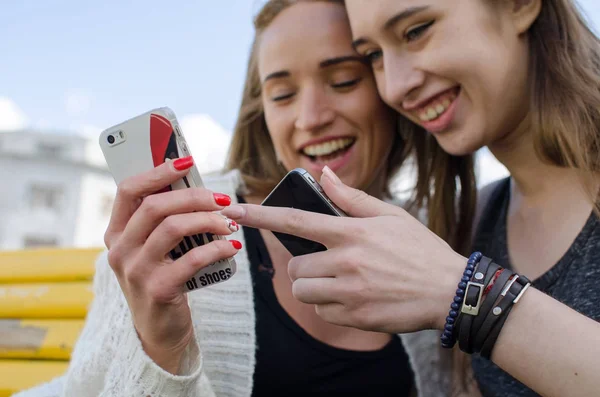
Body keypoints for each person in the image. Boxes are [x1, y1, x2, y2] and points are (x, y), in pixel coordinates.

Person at [13, 1, 475, 396]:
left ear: (389, 86)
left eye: (343, 81)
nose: (309, 118)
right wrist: (162, 347)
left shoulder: (434, 234)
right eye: (282, 94)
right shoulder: (168, 235)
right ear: (262, 113)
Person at [222, 0, 600, 396]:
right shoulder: (474, 222)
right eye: (373, 56)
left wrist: (463, 293)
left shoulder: (452, 257)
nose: (395, 87)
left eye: (417, 31)